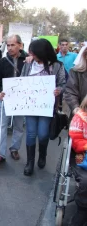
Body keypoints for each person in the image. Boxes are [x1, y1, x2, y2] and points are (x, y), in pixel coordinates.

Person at [20, 38, 65, 176]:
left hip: (46, 106)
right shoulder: (28, 64)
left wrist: (58, 90)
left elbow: (63, 83)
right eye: (31, 53)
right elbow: (21, 79)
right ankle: (30, 162)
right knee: (31, 133)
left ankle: (43, 154)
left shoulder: (57, 65)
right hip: (30, 105)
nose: (32, 55)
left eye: (35, 53)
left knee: (43, 133)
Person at [0, 35, 27, 164]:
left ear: (20, 45)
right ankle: (0, 154)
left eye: (13, 45)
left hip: (21, 99)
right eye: (8, 45)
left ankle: (14, 149)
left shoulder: (28, 60)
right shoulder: (3, 61)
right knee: (2, 126)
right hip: (5, 98)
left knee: (18, 125)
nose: (10, 48)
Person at [68, 95, 87, 226]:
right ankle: (82, 209)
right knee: (86, 181)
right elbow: (75, 140)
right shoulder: (79, 118)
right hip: (82, 155)